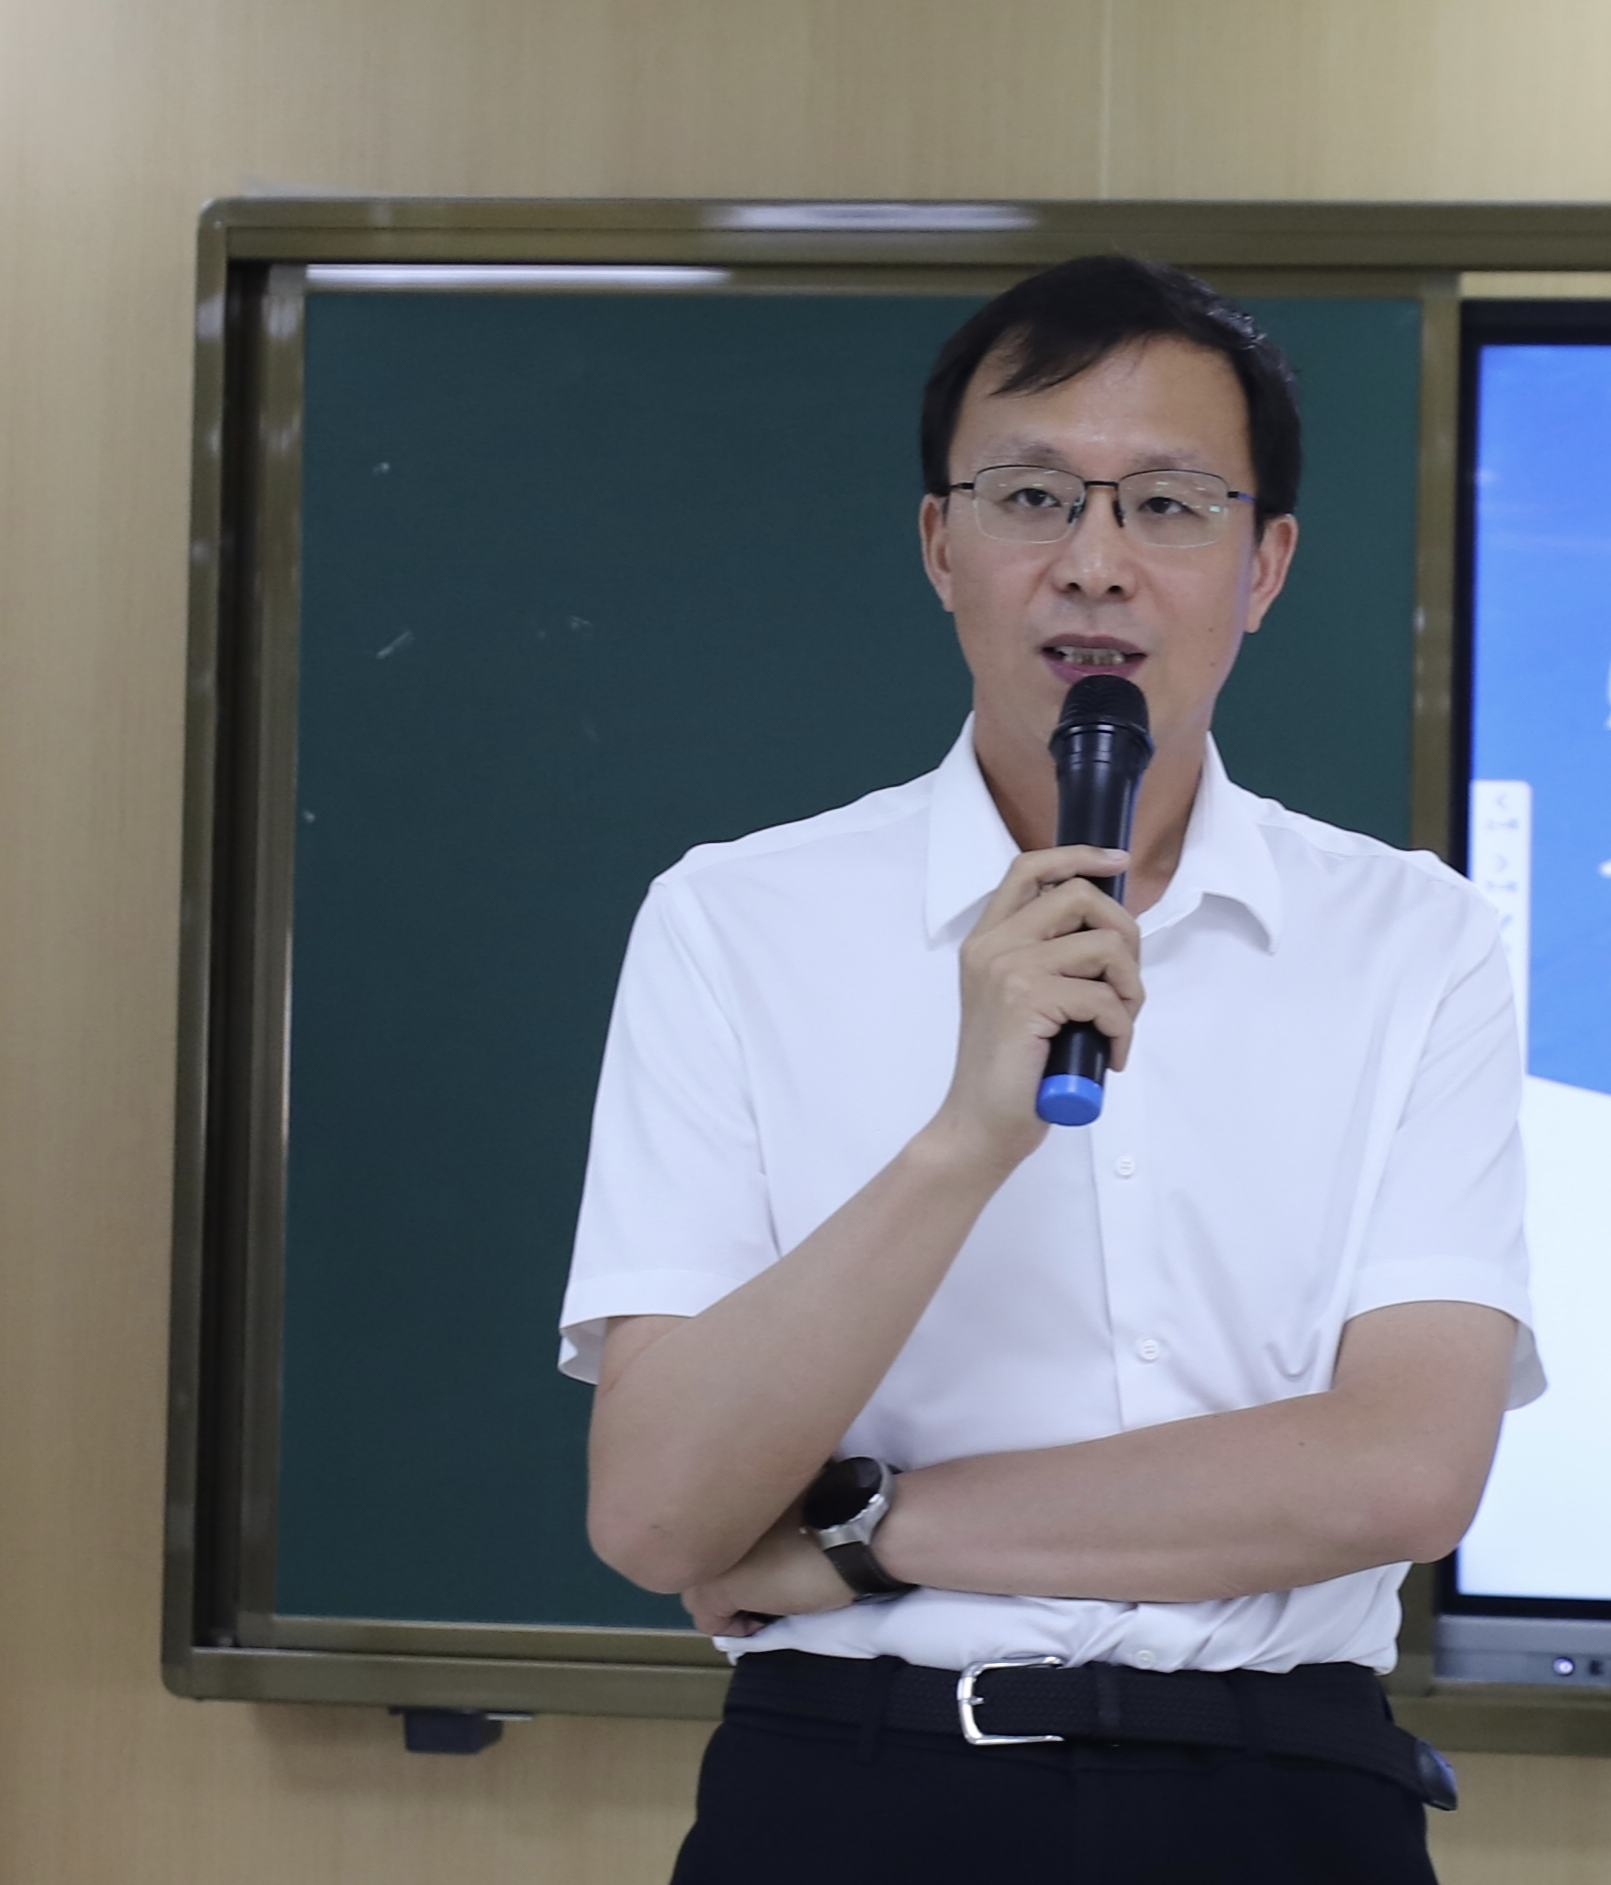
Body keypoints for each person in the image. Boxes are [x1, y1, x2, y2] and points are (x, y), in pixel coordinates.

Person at [561, 255, 1538, 1885]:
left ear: (1263, 565)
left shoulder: (1412, 938)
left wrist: (859, 1539)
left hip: (1283, 1796)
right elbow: (661, 1516)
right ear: (938, 546)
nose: (1092, 564)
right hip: (855, 1791)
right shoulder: (733, 922)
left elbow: (1402, 1469)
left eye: (1165, 507)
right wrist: (965, 1137)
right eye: (1030, 498)